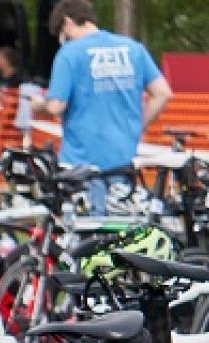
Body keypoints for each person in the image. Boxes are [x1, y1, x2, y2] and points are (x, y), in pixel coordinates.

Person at [34, 0, 171, 215]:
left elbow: (56, 106)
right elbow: (162, 93)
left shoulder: (70, 53)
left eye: (62, 33)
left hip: (81, 162)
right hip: (123, 159)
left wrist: (39, 104)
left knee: (83, 230)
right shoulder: (133, 49)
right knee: (121, 227)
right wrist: (137, 125)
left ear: (67, 22)